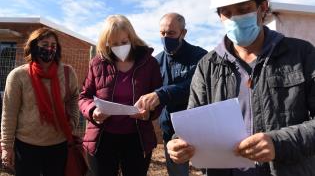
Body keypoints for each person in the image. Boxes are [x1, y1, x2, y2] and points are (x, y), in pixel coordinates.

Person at [166, 0, 315, 176]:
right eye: (227, 13)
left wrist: (278, 143)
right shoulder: (208, 66)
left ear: (263, 7)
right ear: (219, 16)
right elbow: (193, 123)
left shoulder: (301, 54)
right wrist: (178, 144)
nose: (235, 19)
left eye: (243, 10)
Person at [79, 14, 163, 176]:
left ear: (132, 38)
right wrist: (92, 111)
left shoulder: (149, 63)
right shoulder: (97, 63)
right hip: (102, 138)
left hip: (136, 138)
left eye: (124, 42)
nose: (120, 47)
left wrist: (148, 114)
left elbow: (158, 97)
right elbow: (84, 96)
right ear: (106, 43)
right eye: (114, 43)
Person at [1, 27, 80, 176]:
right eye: (44, 45)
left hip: (58, 145)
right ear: (34, 46)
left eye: (53, 46)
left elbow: (74, 97)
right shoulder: (18, 76)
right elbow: (9, 113)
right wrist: (6, 146)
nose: (49, 49)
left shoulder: (67, 73)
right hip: (26, 147)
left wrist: (74, 120)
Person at [135, 12, 207, 176]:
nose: (166, 37)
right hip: (171, 131)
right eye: (162, 33)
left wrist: (161, 94)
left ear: (184, 33)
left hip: (200, 128)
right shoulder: (156, 62)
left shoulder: (200, 57)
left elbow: (195, 87)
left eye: (172, 33)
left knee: (209, 170)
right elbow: (149, 93)